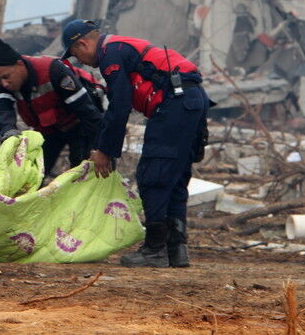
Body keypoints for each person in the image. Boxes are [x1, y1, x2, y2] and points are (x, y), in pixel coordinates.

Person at [61, 19, 210, 268]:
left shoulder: (110, 53)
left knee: (153, 174)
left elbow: (119, 106)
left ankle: (154, 249)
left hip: (174, 103)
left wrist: (104, 150)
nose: (80, 61)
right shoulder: (121, 47)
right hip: (192, 101)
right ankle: (176, 249)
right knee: (174, 177)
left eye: (76, 55)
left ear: (82, 44)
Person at [0, 36, 103, 177]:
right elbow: (3, 109)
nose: (4, 83)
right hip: (48, 128)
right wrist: (8, 130)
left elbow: (87, 111)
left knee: (82, 171)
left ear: (20, 64)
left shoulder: (53, 70)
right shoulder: (5, 80)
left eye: (6, 77)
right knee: (34, 172)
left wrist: (100, 148)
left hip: (78, 123)